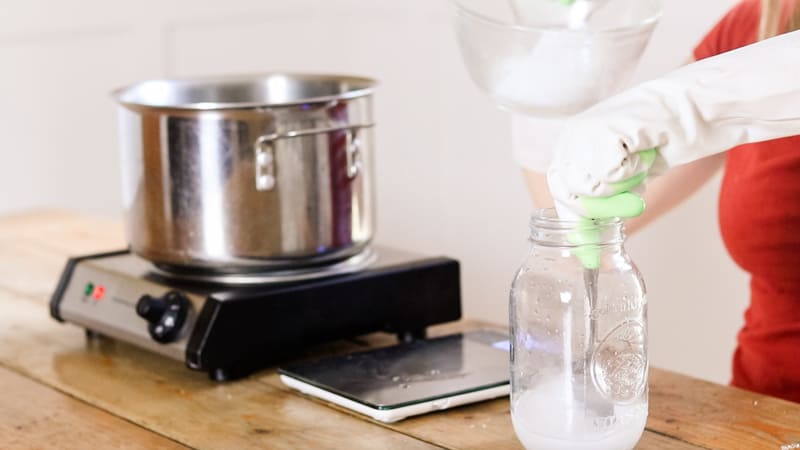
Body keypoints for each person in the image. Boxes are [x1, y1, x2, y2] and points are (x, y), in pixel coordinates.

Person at [545, 0, 800, 402]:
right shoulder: (754, 24)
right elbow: (593, 205)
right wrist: (532, 103)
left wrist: (676, 105)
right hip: (762, 409)